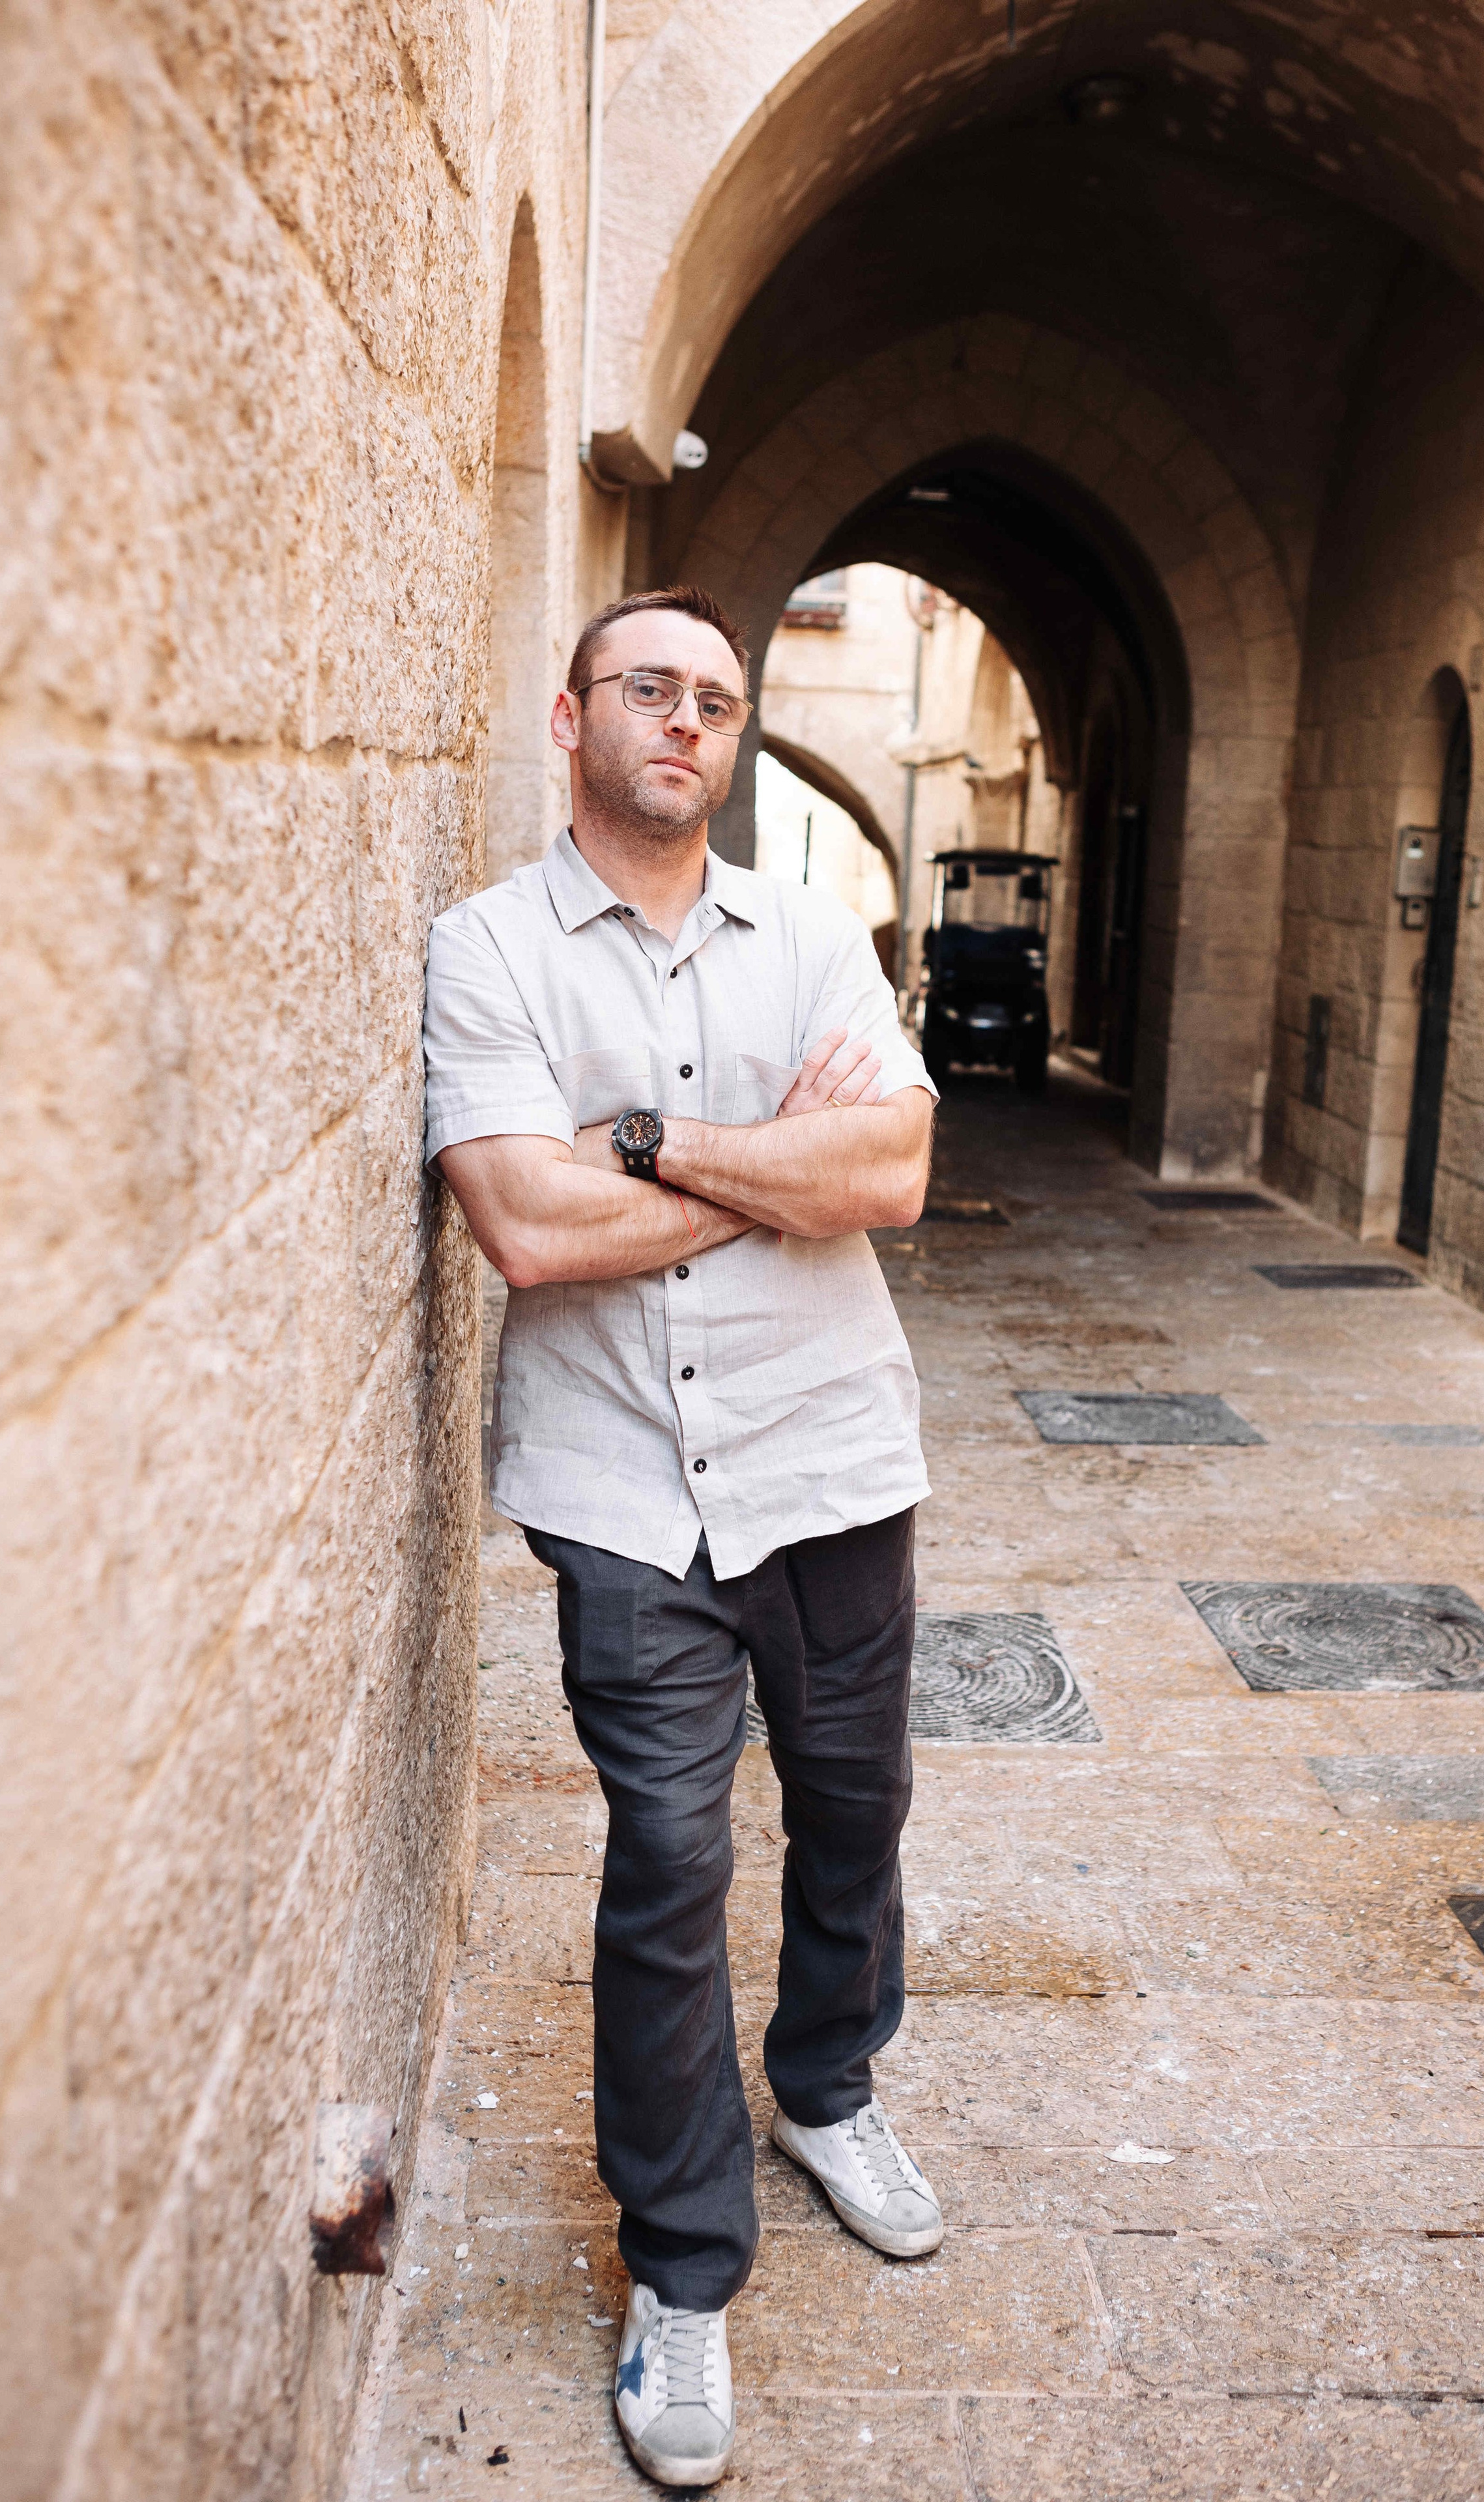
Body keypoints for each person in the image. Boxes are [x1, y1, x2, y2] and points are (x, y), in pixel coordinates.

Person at [422, 585, 941, 2488]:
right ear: (572, 720)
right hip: (623, 1487)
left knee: (856, 1809)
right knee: (665, 1856)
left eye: (717, 700)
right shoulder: (484, 951)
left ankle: (827, 2083)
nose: (687, 723)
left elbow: (888, 1169)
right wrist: (754, 1170)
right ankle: (684, 2269)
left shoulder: (814, 931)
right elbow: (526, 1232)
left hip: (829, 1469)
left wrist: (632, 1144)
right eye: (650, 689)